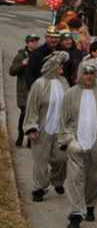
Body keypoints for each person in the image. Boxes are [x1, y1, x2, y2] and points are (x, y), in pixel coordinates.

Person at [61, 59, 97, 228]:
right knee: (75, 178)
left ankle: (89, 205)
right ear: (80, 74)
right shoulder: (70, 94)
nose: (89, 76)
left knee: (93, 177)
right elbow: (63, 121)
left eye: (92, 73)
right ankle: (75, 215)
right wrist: (68, 140)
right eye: (85, 73)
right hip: (76, 144)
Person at [24, 51, 71, 200]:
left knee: (62, 158)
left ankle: (57, 180)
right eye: (60, 65)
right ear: (53, 66)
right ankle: (39, 188)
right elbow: (32, 107)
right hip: (42, 128)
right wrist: (31, 127)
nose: (62, 67)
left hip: (61, 129)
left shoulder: (64, 81)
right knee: (40, 160)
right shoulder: (39, 84)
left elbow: (70, 104)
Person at [9, 32, 40, 146]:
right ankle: (21, 134)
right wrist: (22, 64)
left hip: (35, 88)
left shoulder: (38, 54)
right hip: (23, 90)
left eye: (36, 41)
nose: (35, 43)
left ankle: (30, 140)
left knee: (33, 114)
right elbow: (12, 71)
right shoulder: (21, 55)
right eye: (32, 41)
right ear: (27, 43)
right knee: (24, 113)